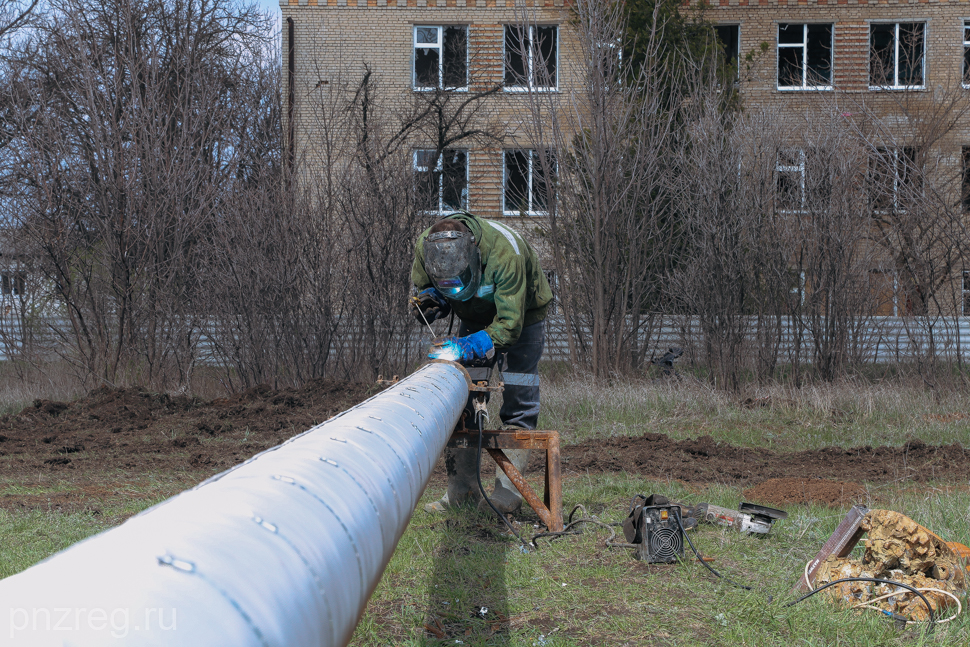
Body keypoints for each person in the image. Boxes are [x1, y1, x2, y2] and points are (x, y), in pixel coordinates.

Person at [412, 211, 552, 515]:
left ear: (474, 255)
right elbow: (423, 288)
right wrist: (432, 300)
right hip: (473, 314)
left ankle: (507, 492)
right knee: (463, 398)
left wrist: (467, 345)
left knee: (518, 395)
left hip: (522, 315)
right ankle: (461, 492)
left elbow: (509, 327)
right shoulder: (427, 246)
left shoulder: (505, 256)